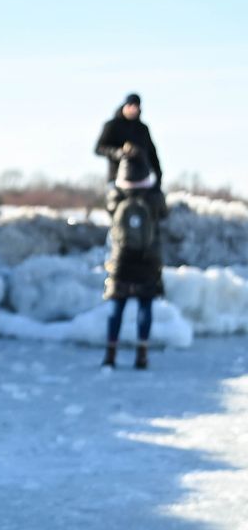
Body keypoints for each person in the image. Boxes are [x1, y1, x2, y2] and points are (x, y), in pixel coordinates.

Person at [100, 138, 167, 369]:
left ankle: (110, 353)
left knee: (116, 308)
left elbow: (109, 207)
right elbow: (163, 213)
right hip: (148, 259)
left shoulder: (116, 195)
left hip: (121, 260)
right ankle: (142, 354)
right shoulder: (154, 196)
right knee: (144, 307)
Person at [95, 93, 162, 189]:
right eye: (130, 106)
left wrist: (158, 176)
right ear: (125, 106)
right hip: (116, 179)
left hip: (142, 179)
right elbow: (99, 148)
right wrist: (117, 152)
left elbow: (152, 153)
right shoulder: (112, 126)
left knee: (156, 201)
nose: (133, 109)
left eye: (136, 106)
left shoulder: (143, 128)